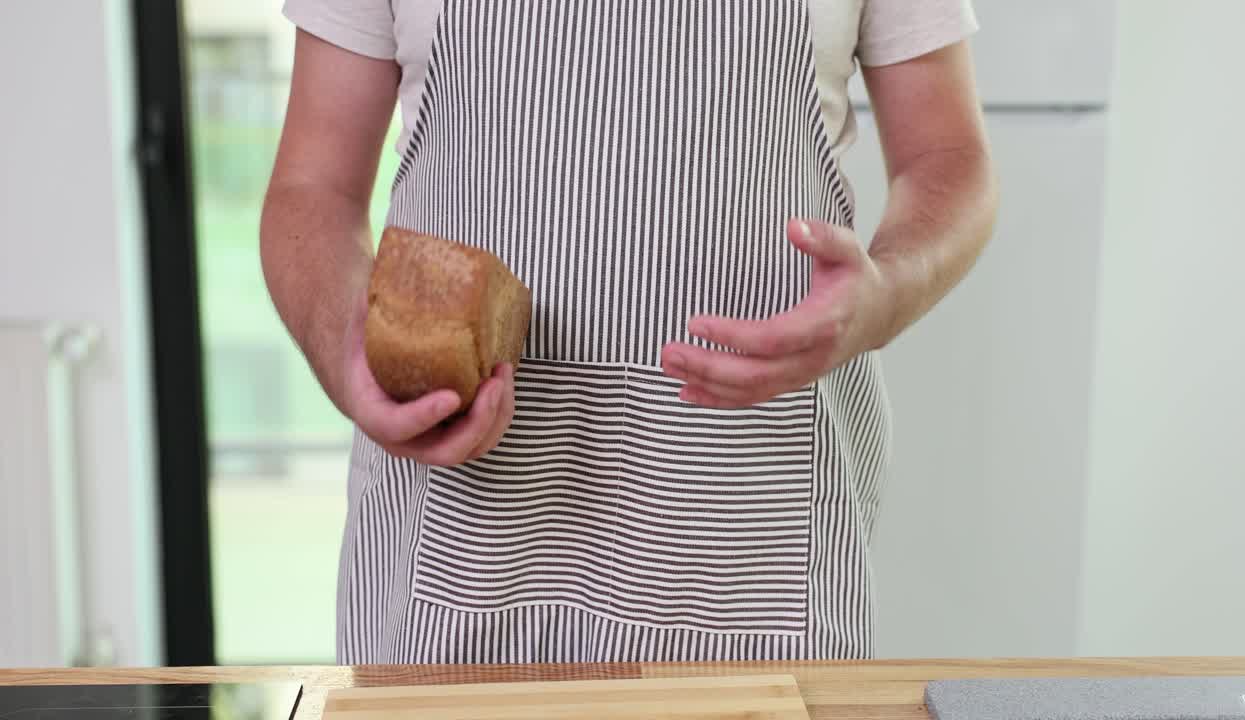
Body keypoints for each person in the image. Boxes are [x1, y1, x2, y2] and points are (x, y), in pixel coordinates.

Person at [261, 0, 997, 664]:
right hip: (465, 528)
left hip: (750, 529)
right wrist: (346, 353)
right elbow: (312, 188)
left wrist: (886, 293)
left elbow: (949, 159)